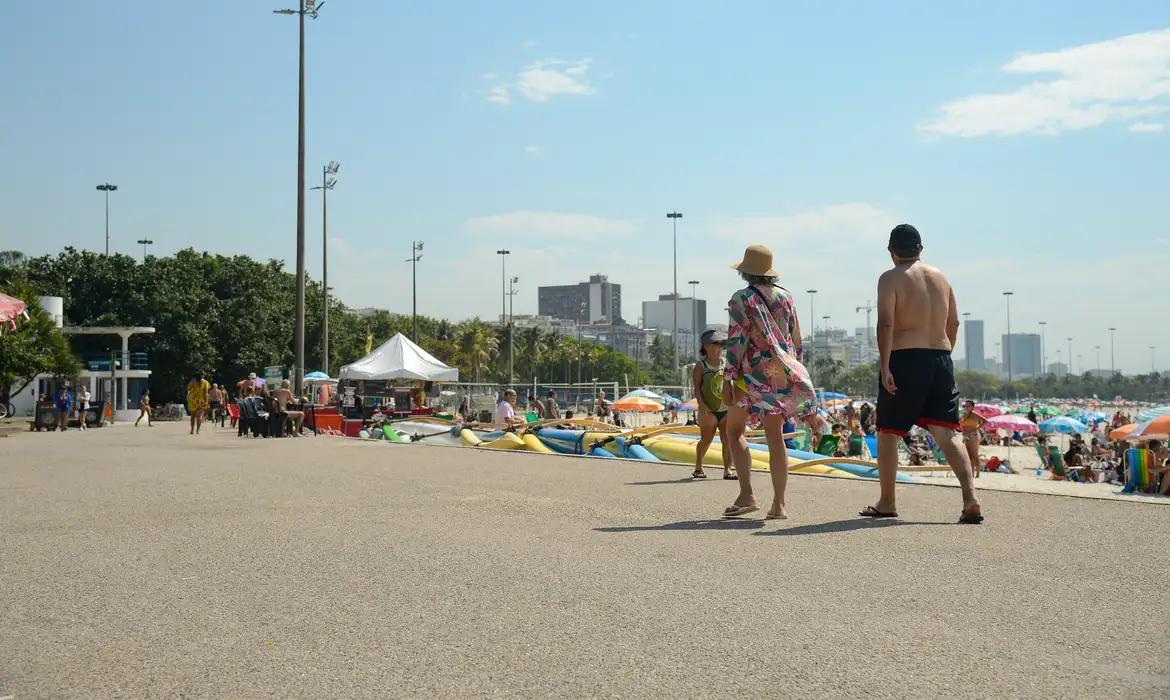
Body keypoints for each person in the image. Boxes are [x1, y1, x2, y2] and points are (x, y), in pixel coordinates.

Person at [865, 224, 982, 523]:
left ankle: (887, 501)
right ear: (920, 249)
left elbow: (886, 324)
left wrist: (885, 364)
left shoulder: (890, 278)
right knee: (947, 432)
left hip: (906, 358)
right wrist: (944, 353)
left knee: (889, 431)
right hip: (940, 358)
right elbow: (953, 323)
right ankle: (970, 498)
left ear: (892, 252)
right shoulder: (942, 278)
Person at [720, 244, 815, 519]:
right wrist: (793, 370)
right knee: (776, 438)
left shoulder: (742, 298)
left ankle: (747, 494)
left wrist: (728, 377)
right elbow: (796, 340)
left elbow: (736, 341)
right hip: (781, 373)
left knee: (735, 431)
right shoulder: (786, 297)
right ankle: (779, 504)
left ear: (745, 272)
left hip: (750, 375)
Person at [691, 329, 734, 480]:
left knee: (727, 439)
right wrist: (702, 405)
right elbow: (696, 388)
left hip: (726, 408)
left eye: (721, 344)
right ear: (706, 346)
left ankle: (727, 470)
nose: (719, 347)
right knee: (706, 439)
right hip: (708, 409)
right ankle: (698, 466)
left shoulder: (726, 365)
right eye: (716, 344)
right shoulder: (701, 366)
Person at [960, 400, 986, 478]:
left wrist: (975, 429)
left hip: (973, 435)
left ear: (972, 407)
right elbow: (961, 424)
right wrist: (963, 429)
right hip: (966, 436)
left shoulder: (974, 415)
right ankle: (971, 472)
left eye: (968, 406)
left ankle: (977, 473)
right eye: (965, 406)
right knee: (968, 455)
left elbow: (985, 421)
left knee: (974, 454)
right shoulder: (964, 415)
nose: (966, 407)